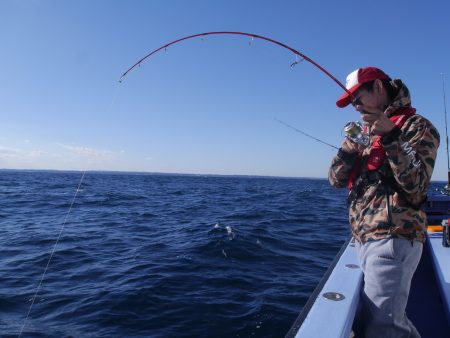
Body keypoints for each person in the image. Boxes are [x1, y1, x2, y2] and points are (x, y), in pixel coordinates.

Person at [328, 67, 440, 338]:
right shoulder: (365, 133)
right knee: (385, 323)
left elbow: (416, 186)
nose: (355, 106)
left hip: (393, 237)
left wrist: (391, 136)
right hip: (364, 239)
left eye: (357, 97)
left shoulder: (418, 127)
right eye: (351, 102)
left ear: (378, 87)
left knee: (383, 327)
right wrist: (347, 151)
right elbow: (335, 180)